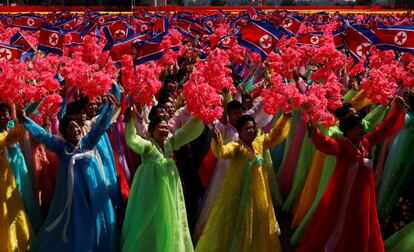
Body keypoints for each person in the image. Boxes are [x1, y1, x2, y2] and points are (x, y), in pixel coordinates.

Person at [296, 97, 407, 252]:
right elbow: (329, 145)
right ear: (347, 131)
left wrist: (397, 110)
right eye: (357, 128)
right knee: (339, 226)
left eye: (361, 126)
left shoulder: (366, 142)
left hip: (363, 199)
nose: (362, 129)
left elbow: (383, 129)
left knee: (361, 227)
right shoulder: (343, 145)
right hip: (344, 197)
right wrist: (316, 134)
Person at [22, 98, 119, 252]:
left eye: (76, 127)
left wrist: (109, 107)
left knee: (98, 217)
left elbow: (100, 127)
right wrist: (26, 121)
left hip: (93, 189)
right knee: (78, 220)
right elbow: (43, 136)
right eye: (70, 128)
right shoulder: (61, 148)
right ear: (64, 133)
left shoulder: (88, 142)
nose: (75, 130)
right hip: (74, 194)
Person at [196, 113, 290, 252]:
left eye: (253, 128)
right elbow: (222, 152)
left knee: (258, 222)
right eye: (247, 128)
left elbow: (275, 135)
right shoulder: (236, 147)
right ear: (239, 132)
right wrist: (217, 140)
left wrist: (285, 118)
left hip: (259, 193)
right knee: (238, 224)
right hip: (238, 193)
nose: (251, 131)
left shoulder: (259, 143)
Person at [121, 106, 204, 252]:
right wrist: (129, 122)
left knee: (170, 219)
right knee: (149, 221)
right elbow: (132, 140)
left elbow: (186, 132)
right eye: (161, 127)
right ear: (151, 131)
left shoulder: (170, 145)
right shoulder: (147, 147)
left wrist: (200, 114)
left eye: (166, 128)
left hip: (170, 194)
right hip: (151, 193)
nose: (165, 130)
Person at [0, 109, 34, 252]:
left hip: (15, 171)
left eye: (5, 113)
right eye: (0, 114)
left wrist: (23, 117)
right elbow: (11, 137)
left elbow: (14, 134)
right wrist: (22, 121)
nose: (3, 116)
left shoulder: (10, 127)